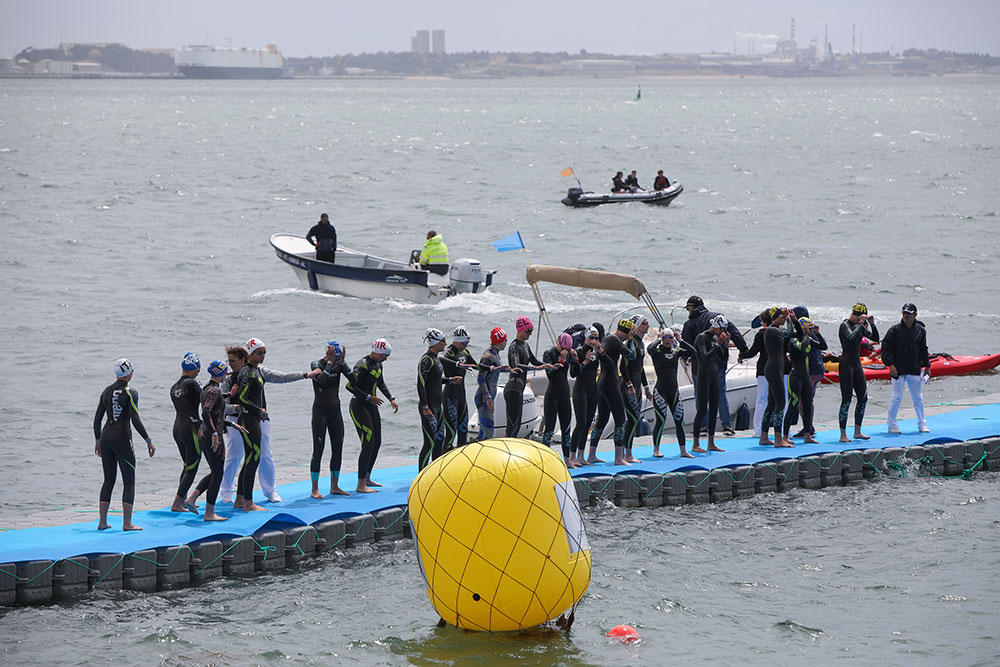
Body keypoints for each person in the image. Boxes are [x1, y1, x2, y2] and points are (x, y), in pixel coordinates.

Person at [234, 338, 320, 510]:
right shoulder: (247, 372)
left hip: (253, 419)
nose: (263, 355)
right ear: (250, 353)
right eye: (259, 352)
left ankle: (240, 500)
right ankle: (248, 503)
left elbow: (280, 377)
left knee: (252, 459)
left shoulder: (256, 371)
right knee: (253, 459)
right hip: (249, 419)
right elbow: (242, 398)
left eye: (265, 352)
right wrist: (259, 411)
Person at [93, 358, 155, 531]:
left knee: (108, 480)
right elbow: (135, 419)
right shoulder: (130, 392)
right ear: (129, 373)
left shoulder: (105, 391)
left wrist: (97, 441)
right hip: (122, 438)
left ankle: (102, 522)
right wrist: (148, 440)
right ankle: (127, 523)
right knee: (129, 481)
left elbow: (97, 419)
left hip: (106, 438)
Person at [681, 295, 749, 435]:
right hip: (718, 365)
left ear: (692, 308)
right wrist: (743, 351)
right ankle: (727, 425)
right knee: (720, 394)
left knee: (701, 397)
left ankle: (703, 426)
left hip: (699, 367)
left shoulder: (690, 324)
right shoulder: (719, 317)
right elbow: (735, 333)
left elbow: (686, 346)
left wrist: (685, 357)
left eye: (688, 308)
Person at [346, 339, 398, 492]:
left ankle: (367, 477)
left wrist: (391, 398)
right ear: (376, 351)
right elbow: (349, 386)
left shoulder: (378, 364)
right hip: (359, 405)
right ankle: (360, 484)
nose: (385, 359)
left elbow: (380, 383)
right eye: (384, 355)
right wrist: (369, 397)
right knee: (368, 442)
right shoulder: (362, 364)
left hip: (371, 405)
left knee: (377, 442)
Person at [309, 340, 357, 498]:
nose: (336, 360)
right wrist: (329, 363)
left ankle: (334, 486)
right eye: (334, 357)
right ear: (328, 354)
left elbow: (355, 381)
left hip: (335, 412)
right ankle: (315, 489)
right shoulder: (316, 364)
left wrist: (343, 364)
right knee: (318, 449)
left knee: (338, 448)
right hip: (320, 412)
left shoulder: (339, 365)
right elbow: (321, 380)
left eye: (337, 358)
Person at [183, 360, 231, 521]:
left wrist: (232, 424)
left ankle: (192, 498)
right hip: (211, 434)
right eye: (225, 371)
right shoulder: (214, 390)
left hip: (203, 432)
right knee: (218, 473)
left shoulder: (207, 389)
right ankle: (209, 513)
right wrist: (215, 434)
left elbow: (215, 411)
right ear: (220, 372)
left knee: (215, 471)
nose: (226, 374)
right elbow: (206, 412)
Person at [591, 317, 637, 466]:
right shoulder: (616, 340)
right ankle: (619, 458)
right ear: (626, 332)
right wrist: (630, 340)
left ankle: (591, 455)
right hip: (610, 383)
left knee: (602, 420)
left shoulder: (607, 338)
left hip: (602, 383)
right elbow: (632, 355)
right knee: (620, 420)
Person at [881, 303, 931, 434]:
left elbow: (923, 349)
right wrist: (890, 365)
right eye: (904, 313)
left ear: (915, 315)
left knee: (918, 398)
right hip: (898, 369)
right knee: (896, 397)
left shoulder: (920, 330)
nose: (906, 316)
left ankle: (922, 424)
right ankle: (892, 425)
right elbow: (885, 348)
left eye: (909, 314)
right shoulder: (894, 330)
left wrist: (927, 366)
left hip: (914, 367)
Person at [648, 327, 696, 458]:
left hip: (674, 391)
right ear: (662, 339)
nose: (668, 340)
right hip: (660, 391)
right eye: (665, 338)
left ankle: (683, 450)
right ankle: (656, 449)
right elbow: (649, 349)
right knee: (661, 421)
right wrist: (659, 339)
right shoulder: (657, 352)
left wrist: (680, 339)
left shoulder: (676, 352)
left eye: (670, 338)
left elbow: (693, 352)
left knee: (679, 420)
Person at [838, 303, 880, 442]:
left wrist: (872, 324)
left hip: (856, 365)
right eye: (861, 318)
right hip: (846, 365)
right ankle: (843, 434)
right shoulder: (845, 325)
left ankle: (857, 431)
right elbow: (850, 337)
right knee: (846, 400)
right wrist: (861, 324)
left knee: (863, 398)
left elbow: (874, 338)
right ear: (855, 315)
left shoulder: (859, 327)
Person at [504, 316, 551, 437]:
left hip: (519, 388)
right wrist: (533, 368)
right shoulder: (514, 346)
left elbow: (534, 361)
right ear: (520, 330)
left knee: (517, 424)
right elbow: (515, 365)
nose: (530, 334)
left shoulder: (525, 345)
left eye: (531, 331)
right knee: (512, 424)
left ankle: (511, 447)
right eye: (528, 331)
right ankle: (507, 449)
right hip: (513, 387)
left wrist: (548, 365)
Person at [170, 353, 203, 513]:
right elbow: (208, 399)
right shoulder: (192, 384)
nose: (198, 373)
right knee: (193, 466)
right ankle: (177, 503)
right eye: (197, 370)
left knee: (187, 465)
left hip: (177, 428)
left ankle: (181, 500)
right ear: (192, 369)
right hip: (191, 428)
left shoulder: (174, 387)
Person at [691, 315, 730, 453]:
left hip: (714, 376)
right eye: (723, 329)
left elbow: (722, 357)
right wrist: (718, 344)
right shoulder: (701, 337)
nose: (724, 332)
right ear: (717, 326)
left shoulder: (715, 338)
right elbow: (705, 357)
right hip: (703, 376)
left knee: (714, 409)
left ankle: (711, 442)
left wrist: (725, 344)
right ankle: (695, 444)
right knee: (702, 410)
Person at [542, 332, 579, 467]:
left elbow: (575, 374)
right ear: (559, 344)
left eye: (568, 350)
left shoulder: (568, 353)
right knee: (549, 429)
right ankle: (544, 460)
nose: (566, 351)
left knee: (566, 428)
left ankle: (567, 460)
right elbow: (550, 374)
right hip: (552, 396)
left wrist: (574, 360)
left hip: (564, 395)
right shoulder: (549, 353)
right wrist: (561, 361)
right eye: (565, 349)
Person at [760, 306, 796, 448]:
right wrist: (789, 320)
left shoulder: (777, 330)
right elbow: (790, 333)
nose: (783, 318)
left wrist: (791, 319)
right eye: (781, 316)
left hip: (777, 368)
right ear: (774, 318)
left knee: (772, 403)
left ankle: (764, 437)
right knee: (780, 403)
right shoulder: (771, 330)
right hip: (773, 369)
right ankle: (778, 439)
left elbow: (792, 333)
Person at [790, 306, 828, 438]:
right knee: (808, 399)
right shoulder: (811, 330)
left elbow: (805, 349)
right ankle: (808, 426)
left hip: (811, 370)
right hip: (818, 369)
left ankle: (809, 427)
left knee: (803, 401)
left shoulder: (806, 334)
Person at [417, 329, 452, 470]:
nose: (446, 343)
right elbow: (421, 383)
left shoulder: (436, 358)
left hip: (438, 406)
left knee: (439, 441)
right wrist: (425, 406)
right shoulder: (426, 360)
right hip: (429, 407)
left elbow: (436, 381)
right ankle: (421, 474)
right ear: (436, 342)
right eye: (443, 341)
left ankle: (435, 473)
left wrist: (449, 380)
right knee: (429, 442)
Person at [218, 345, 248, 504]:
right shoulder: (228, 380)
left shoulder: (252, 373)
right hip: (234, 419)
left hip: (251, 419)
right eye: (228, 361)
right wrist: (237, 407)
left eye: (233, 361)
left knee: (262, 455)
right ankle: (226, 491)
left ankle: (269, 489)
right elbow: (221, 405)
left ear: (243, 360)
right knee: (234, 455)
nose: (230, 364)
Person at [782, 318, 820, 445]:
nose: (810, 330)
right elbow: (802, 347)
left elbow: (823, 346)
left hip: (805, 377)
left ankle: (807, 435)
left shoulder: (807, 339)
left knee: (808, 406)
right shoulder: (793, 340)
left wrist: (817, 333)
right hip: (795, 377)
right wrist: (806, 335)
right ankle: (785, 436)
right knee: (793, 405)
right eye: (808, 327)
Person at [621, 314, 653, 463]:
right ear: (638, 326)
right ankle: (626, 454)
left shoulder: (641, 344)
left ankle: (627, 452)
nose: (648, 326)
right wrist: (629, 384)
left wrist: (646, 387)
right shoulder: (630, 343)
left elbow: (640, 368)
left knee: (634, 419)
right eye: (645, 323)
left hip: (637, 386)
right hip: (629, 387)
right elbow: (623, 366)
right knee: (632, 419)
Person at [440, 326, 478, 450]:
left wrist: (493, 368)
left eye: (467, 342)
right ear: (456, 340)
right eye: (464, 343)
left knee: (463, 429)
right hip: (450, 396)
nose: (466, 345)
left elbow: (475, 365)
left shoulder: (465, 352)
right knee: (451, 432)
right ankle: (445, 454)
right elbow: (441, 358)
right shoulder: (449, 352)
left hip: (461, 396)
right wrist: (458, 364)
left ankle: (461, 457)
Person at [570, 324, 603, 466]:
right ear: (585, 337)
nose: (594, 340)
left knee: (588, 423)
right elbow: (573, 373)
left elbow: (608, 363)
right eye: (591, 337)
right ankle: (571, 456)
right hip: (580, 389)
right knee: (581, 423)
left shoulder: (597, 352)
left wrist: (600, 350)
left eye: (596, 338)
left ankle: (581, 456)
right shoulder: (578, 352)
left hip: (592, 389)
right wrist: (585, 361)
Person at [738, 309, 773, 439]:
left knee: (761, 399)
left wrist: (742, 355)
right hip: (779, 369)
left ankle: (758, 430)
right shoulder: (781, 332)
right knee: (780, 400)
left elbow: (753, 351)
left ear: (763, 322)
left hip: (764, 368)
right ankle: (781, 429)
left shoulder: (761, 334)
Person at [473, 327, 511, 440]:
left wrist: (509, 370)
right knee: (488, 432)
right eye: (506, 340)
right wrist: (488, 397)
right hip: (484, 398)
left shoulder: (496, 354)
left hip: (488, 396)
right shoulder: (488, 356)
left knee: (483, 432)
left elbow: (494, 370)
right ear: (500, 340)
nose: (506, 342)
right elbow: (481, 378)